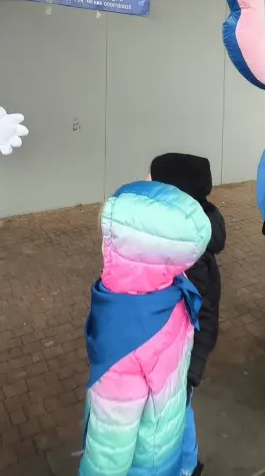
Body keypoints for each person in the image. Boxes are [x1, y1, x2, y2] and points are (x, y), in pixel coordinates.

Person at [80, 181, 210, 476]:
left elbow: (109, 450)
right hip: (164, 452)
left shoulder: (122, 336)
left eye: (109, 239)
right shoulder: (175, 295)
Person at [149, 153, 226, 476]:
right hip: (171, 355)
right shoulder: (188, 232)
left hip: (180, 359)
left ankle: (185, 466)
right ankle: (188, 463)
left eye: (154, 181)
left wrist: (192, 370)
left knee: (176, 413)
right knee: (179, 412)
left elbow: (205, 315)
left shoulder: (190, 256)